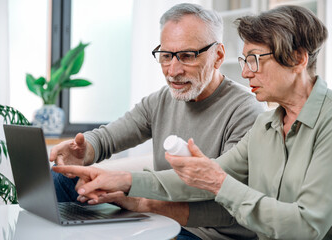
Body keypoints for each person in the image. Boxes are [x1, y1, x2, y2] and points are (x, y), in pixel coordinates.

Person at [53, 5, 332, 239]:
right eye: (244, 61)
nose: (247, 72)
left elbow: (305, 226)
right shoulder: (269, 125)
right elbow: (204, 176)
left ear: (297, 59)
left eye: (255, 59)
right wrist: (126, 183)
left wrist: (213, 183)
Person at [51, 3, 267, 240]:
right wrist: (83, 150)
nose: (173, 70)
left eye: (187, 56)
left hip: (206, 233)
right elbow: (108, 137)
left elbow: (226, 198)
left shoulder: (246, 110)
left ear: (218, 56)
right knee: (61, 179)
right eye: (166, 56)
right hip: (159, 218)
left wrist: (136, 194)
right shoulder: (160, 101)